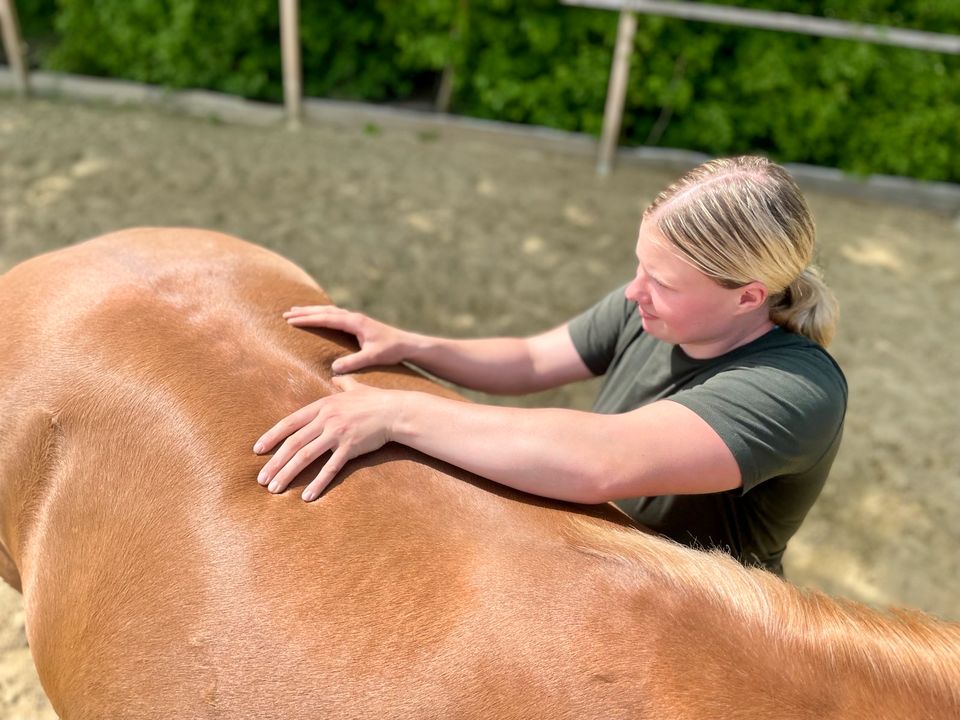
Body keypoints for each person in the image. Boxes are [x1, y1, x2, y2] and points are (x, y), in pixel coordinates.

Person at [253, 155, 847, 576]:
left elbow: (604, 461)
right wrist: (412, 345)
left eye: (661, 281)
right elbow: (534, 357)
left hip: (700, 634)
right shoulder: (655, 309)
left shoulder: (795, 391)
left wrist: (398, 413)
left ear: (748, 296)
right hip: (605, 567)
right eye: (639, 266)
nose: (634, 291)